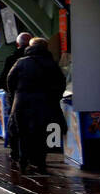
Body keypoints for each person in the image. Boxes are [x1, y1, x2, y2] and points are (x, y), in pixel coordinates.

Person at [6, 37, 65, 174]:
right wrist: (54, 97)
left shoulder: (21, 62)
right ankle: (41, 162)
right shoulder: (51, 63)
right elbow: (60, 82)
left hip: (22, 102)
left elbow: (10, 80)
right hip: (44, 103)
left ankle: (23, 160)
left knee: (22, 132)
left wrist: (15, 95)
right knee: (41, 132)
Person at [0, 31, 34, 160]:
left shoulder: (13, 59)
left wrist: (12, 93)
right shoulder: (47, 59)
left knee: (16, 125)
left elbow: (6, 79)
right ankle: (34, 155)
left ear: (18, 44)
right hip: (39, 101)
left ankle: (16, 153)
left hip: (18, 99)